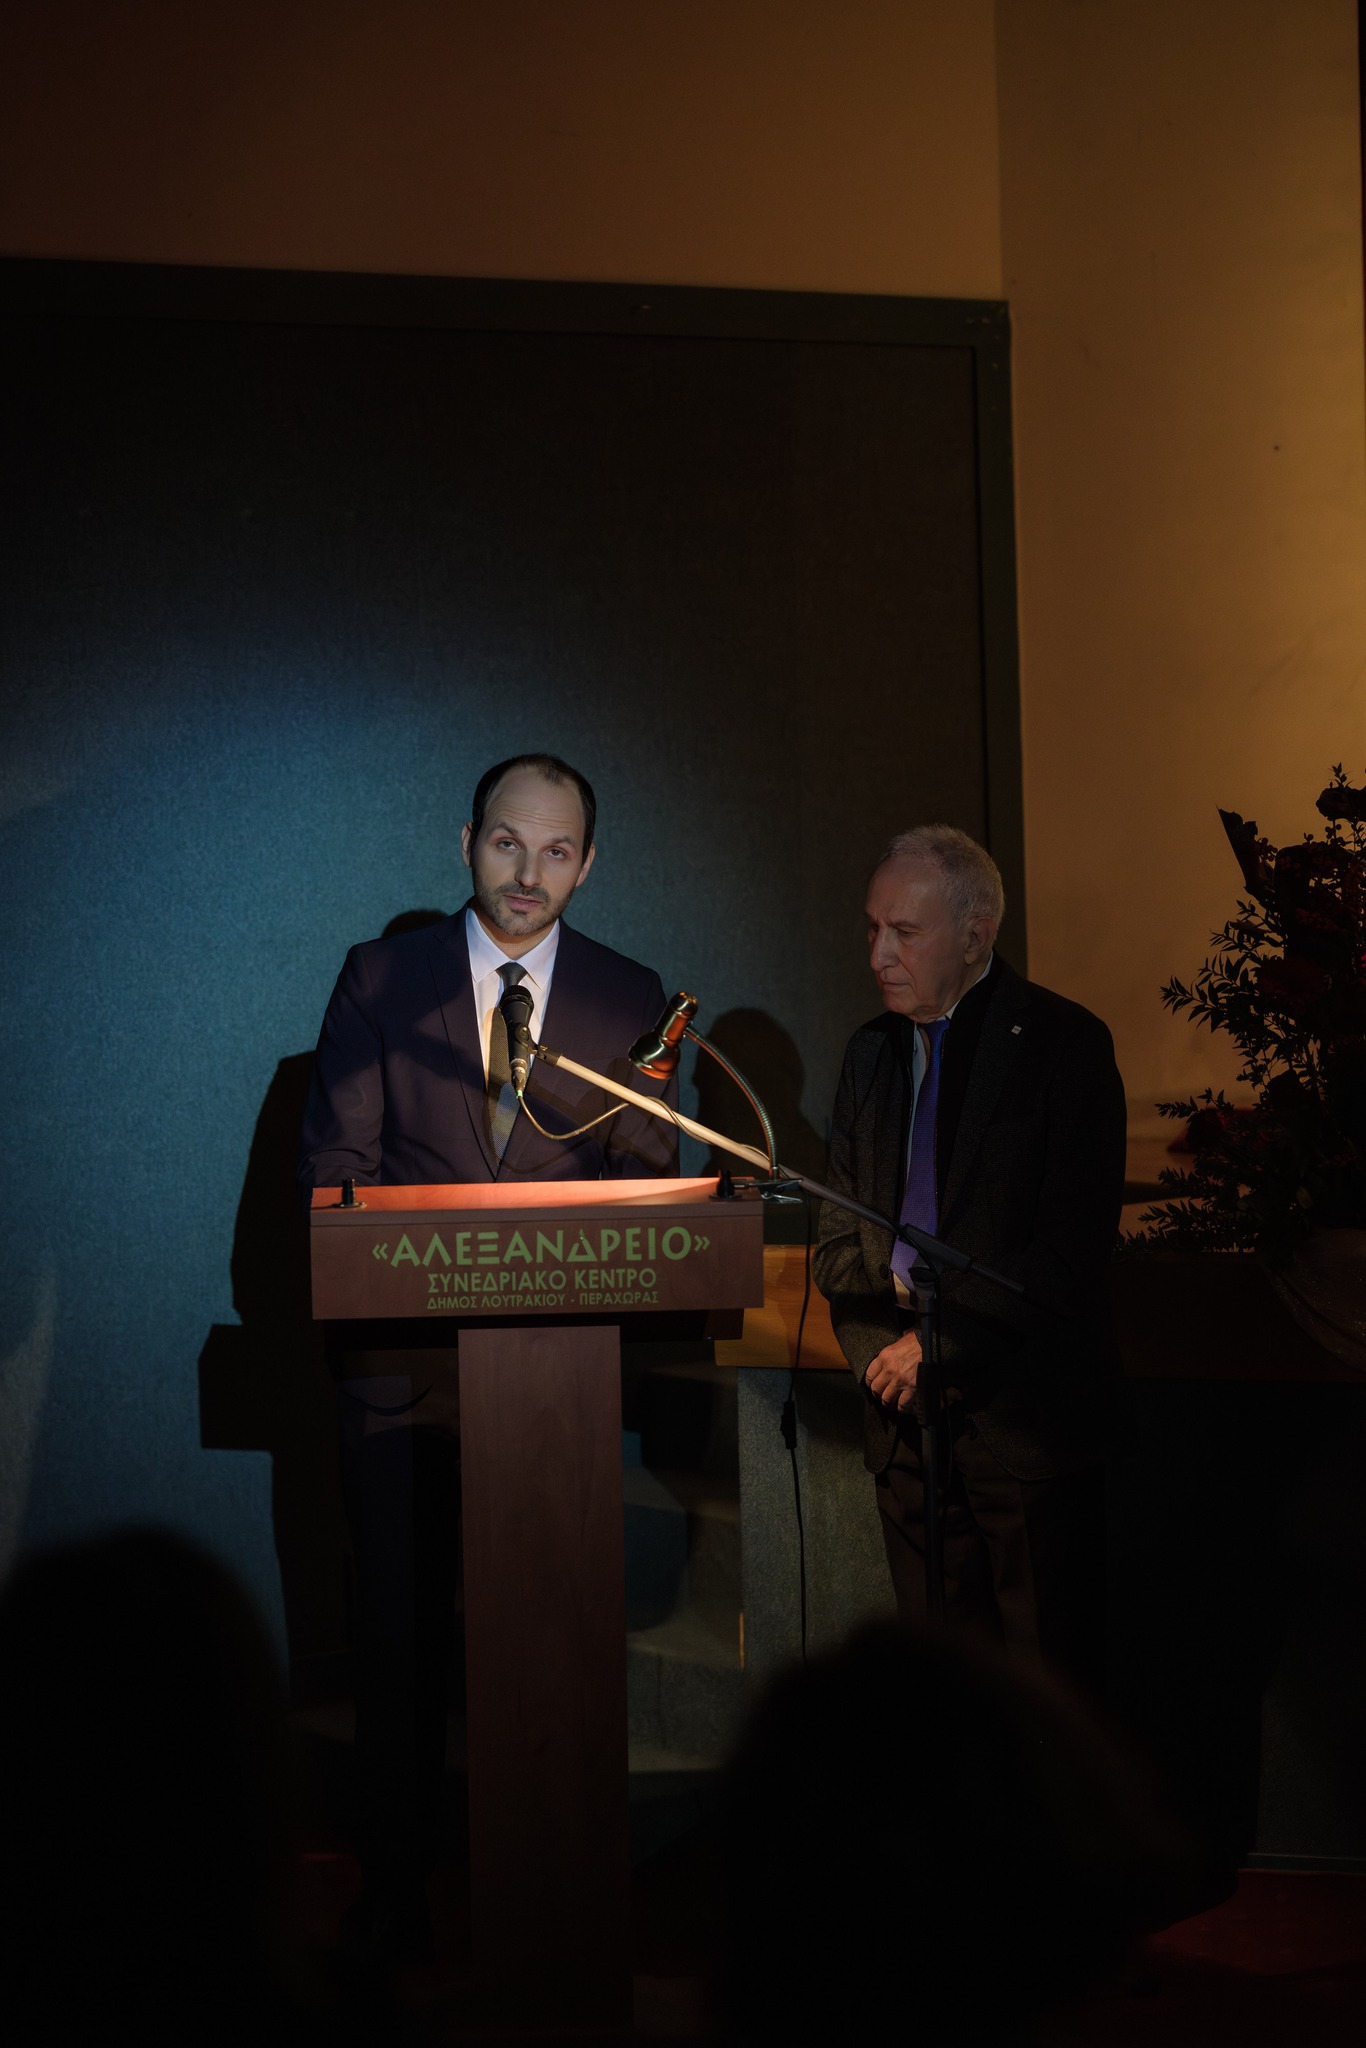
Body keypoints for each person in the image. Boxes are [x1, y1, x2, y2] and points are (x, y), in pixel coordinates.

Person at [296, 752, 679, 1957]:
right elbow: (336, 1170)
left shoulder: (631, 996)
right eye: (508, 842)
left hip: (557, 1378)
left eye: (557, 850)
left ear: (588, 862)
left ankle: (553, 1902)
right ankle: (396, 1896)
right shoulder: (381, 977)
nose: (528, 872)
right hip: (402, 1369)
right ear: (465, 840)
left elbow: (646, 1184)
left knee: (550, 1642)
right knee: (400, 1642)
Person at [812, 825, 1126, 1696]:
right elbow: (838, 1247)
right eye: (872, 927)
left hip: (1023, 1421)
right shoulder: (870, 1052)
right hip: (903, 1420)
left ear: (976, 934)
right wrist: (882, 1360)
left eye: (904, 933)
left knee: (1048, 1696)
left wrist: (938, 1346)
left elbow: (1067, 1253)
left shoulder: (1064, 1043)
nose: (878, 954)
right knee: (938, 1698)